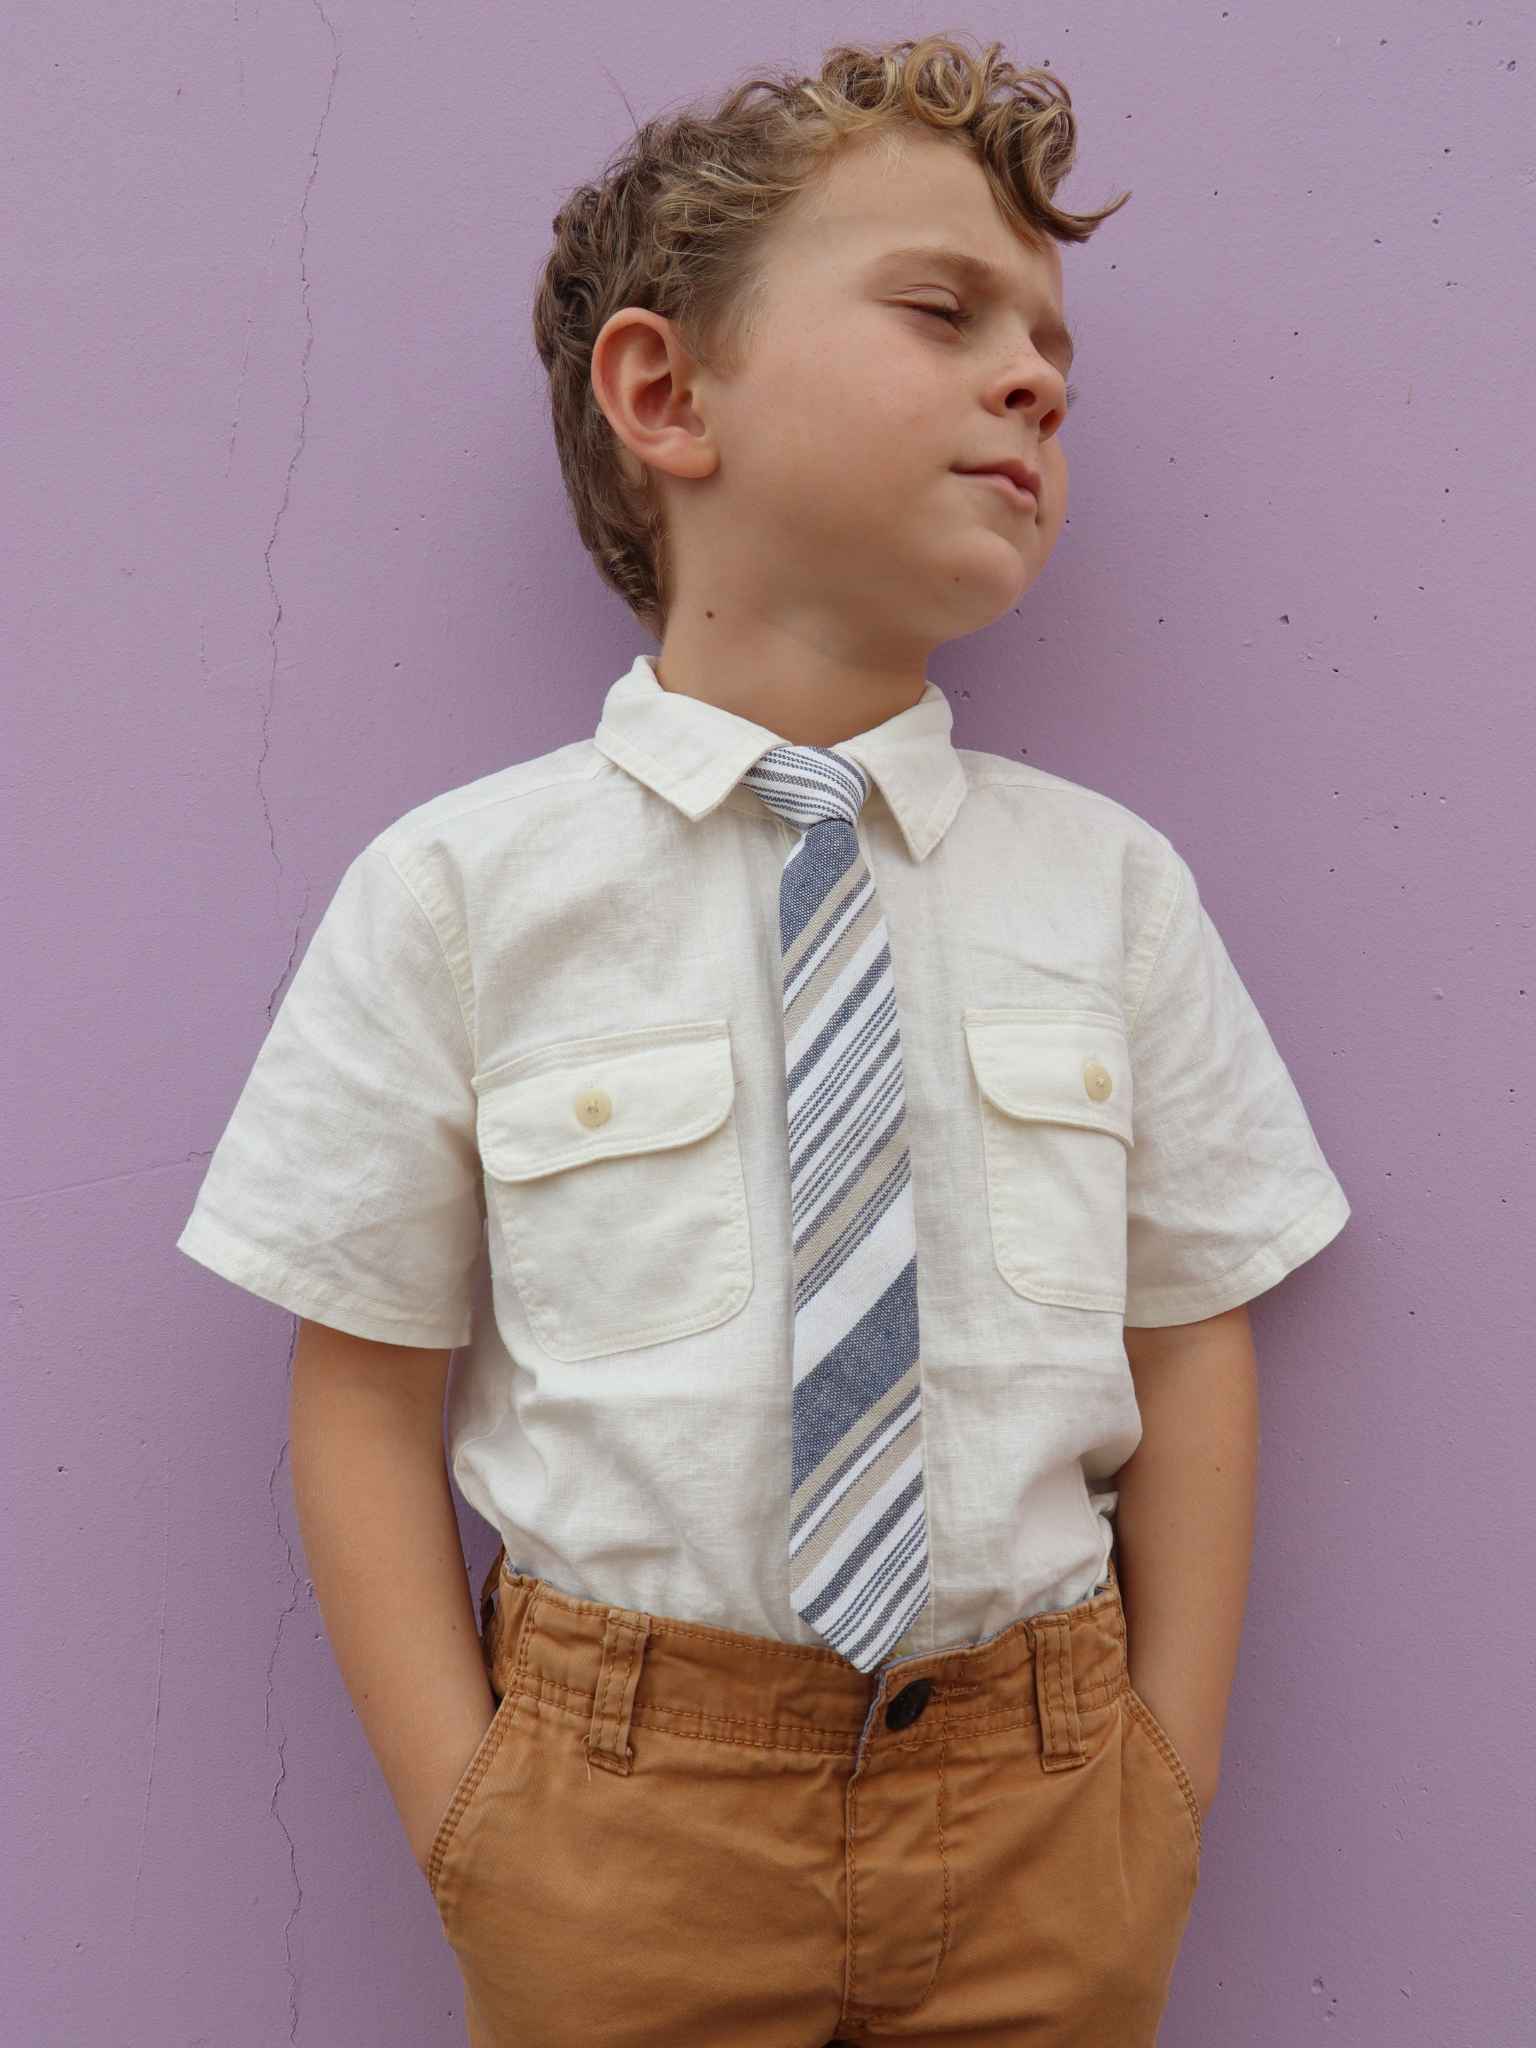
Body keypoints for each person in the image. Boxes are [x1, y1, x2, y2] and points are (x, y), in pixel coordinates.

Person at [179, 36, 1348, 2048]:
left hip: (1046, 1797)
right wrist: (477, 1824)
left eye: (1055, 346)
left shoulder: (1111, 891)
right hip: (618, 1818)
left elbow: (1192, 1324)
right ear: (666, 395)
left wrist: (1162, 1774)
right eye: (941, 308)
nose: (1037, 378)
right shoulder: (462, 893)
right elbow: (360, 1379)